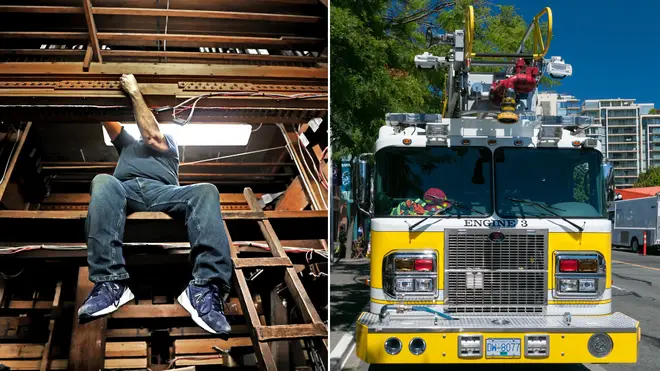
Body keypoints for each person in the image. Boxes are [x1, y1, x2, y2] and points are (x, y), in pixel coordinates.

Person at [77, 74, 232, 338]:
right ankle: (110, 283)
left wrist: (135, 93)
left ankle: (205, 288)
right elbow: (105, 117)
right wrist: (99, 86)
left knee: (206, 191)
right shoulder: (126, 143)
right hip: (124, 191)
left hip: (164, 192)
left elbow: (151, 135)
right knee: (103, 180)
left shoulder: (167, 142)